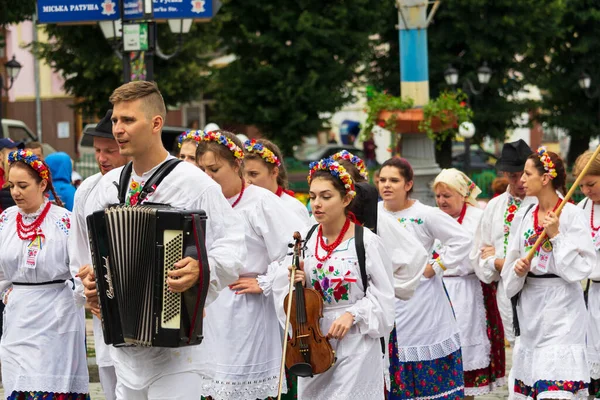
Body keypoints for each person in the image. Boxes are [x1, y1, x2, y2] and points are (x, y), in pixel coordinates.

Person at [77, 81, 246, 399]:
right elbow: (90, 256)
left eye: (128, 120)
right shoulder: (106, 186)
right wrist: (91, 280)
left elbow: (233, 246)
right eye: (115, 120)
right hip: (124, 346)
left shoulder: (194, 183)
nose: (118, 129)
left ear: (156, 123)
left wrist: (200, 269)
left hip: (177, 350)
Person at [272, 157, 395, 399]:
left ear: (346, 199)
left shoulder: (366, 242)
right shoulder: (306, 239)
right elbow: (288, 295)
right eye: (313, 196)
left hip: (355, 340)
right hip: (314, 345)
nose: (316, 204)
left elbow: (384, 297)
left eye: (326, 197)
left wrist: (353, 314)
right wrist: (296, 281)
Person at [195, 130, 304, 399]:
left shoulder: (261, 202)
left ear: (236, 165)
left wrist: (264, 281)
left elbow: (296, 249)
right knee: (208, 386)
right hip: (210, 309)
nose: (207, 177)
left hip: (248, 311)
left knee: (245, 388)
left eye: (214, 169)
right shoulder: (199, 203)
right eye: (202, 170)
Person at [502, 147, 594, 399]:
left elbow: (582, 268)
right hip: (531, 308)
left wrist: (556, 236)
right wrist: (518, 270)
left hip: (563, 309)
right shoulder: (523, 215)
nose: (521, 180)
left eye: (527, 174)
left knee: (555, 392)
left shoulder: (572, 215)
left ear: (545, 178)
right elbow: (510, 268)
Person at [378, 157, 471, 400]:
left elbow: (462, 240)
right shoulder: (374, 213)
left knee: (421, 351)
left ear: (408, 184)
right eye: (383, 180)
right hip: (387, 296)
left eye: (394, 180)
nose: (387, 185)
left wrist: (437, 265)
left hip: (423, 299)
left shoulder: (425, 214)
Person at [0, 149, 89, 398]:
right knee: (18, 381)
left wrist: (80, 297)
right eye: (12, 185)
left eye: (23, 185)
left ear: (42, 185)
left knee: (48, 384)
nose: (15, 192)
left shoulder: (64, 221)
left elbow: (82, 265)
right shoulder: (6, 220)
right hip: (19, 316)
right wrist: (7, 291)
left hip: (55, 315)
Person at [68, 109, 128, 400]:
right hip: (102, 303)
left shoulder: (140, 184)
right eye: (97, 151)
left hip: (135, 294)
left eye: (110, 151)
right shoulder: (87, 189)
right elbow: (78, 249)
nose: (102, 158)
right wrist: (87, 290)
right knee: (110, 377)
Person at [433, 169, 505, 397]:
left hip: (469, 290)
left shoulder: (477, 217)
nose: (441, 201)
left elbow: (491, 247)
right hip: (438, 291)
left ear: (463, 194)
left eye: (447, 195)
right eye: (438, 196)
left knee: (466, 356)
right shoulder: (432, 217)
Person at [471, 139, 536, 349]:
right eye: (513, 176)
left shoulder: (545, 202)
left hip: (541, 287)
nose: (519, 182)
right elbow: (480, 251)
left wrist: (501, 260)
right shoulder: (495, 206)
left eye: (524, 175)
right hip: (508, 290)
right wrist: (493, 263)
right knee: (518, 346)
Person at [573, 150, 600, 398]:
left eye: (591, 184)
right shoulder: (581, 209)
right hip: (592, 294)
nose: (585, 191)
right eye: (581, 185)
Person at [243, 138, 310, 225]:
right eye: (242, 174)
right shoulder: (242, 207)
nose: (246, 180)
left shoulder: (293, 208)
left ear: (274, 172)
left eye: (253, 174)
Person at [0, 138, 24, 211]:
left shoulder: (9, 175)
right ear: (0, 156)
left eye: (17, 152)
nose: (17, 156)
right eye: (12, 153)